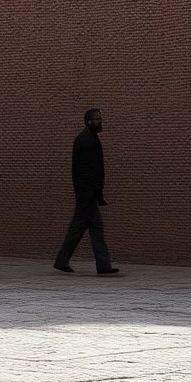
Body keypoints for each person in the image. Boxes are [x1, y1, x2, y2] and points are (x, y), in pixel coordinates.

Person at [53, 108, 119, 275]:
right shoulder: (86, 141)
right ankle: (101, 265)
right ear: (88, 121)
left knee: (87, 228)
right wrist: (94, 193)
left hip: (88, 194)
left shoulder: (89, 138)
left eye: (100, 119)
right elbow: (87, 171)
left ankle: (66, 261)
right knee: (87, 228)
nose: (100, 121)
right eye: (97, 119)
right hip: (87, 195)